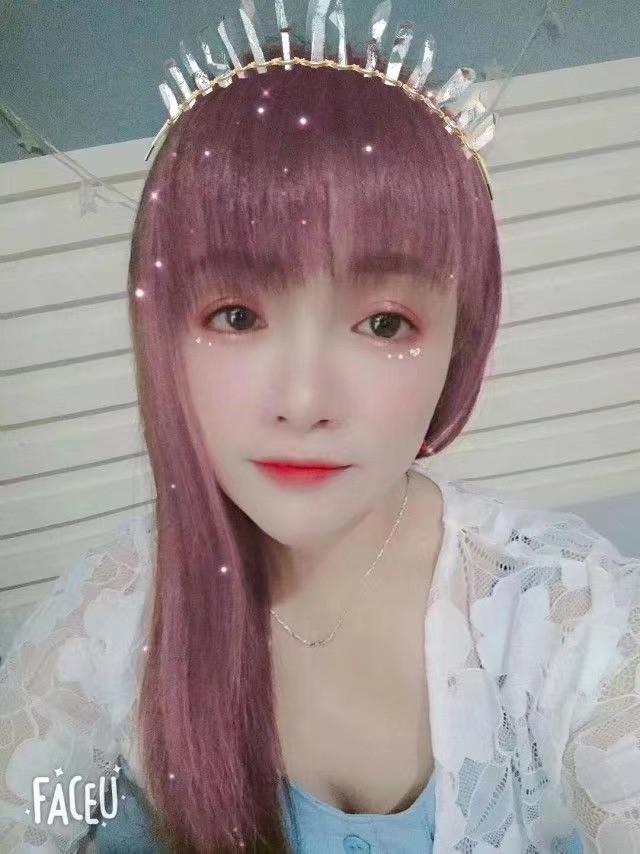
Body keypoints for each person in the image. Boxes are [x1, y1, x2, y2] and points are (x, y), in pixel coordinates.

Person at [1, 29, 639, 854]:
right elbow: (36, 812)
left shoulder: (557, 613)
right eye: (237, 316)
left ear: (460, 341)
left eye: (384, 324)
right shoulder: (113, 619)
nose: (304, 402)